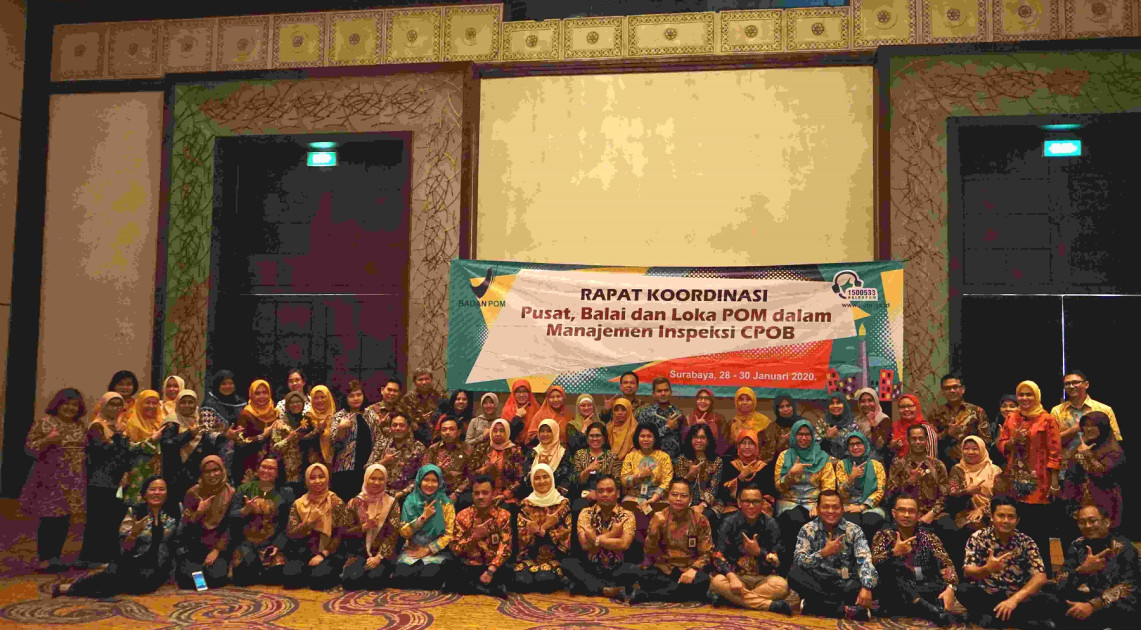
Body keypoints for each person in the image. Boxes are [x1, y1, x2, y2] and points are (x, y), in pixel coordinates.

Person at [54, 476, 178, 597]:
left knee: (139, 584)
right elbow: (124, 547)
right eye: (152, 489)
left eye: (162, 489)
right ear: (145, 494)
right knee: (117, 576)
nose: (157, 493)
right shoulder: (134, 512)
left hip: (160, 565)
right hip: (134, 561)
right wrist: (134, 534)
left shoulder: (174, 512)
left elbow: (179, 539)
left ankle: (78, 587)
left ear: (166, 493)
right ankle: (71, 588)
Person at [960, 496, 1055, 628]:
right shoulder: (978, 538)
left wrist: (1014, 600)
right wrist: (987, 569)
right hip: (988, 594)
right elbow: (968, 571)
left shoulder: (1026, 541)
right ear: (992, 517)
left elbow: (1040, 576)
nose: (1005, 520)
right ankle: (1020, 621)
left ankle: (993, 619)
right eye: (1001, 516)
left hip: (1017, 597)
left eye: (1010, 517)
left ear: (1017, 520)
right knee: (963, 590)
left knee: (1051, 599)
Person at [21, 388, 89, 571]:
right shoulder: (45, 423)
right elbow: (29, 449)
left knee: (65, 519)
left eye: (74, 405)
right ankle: (45, 558)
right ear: (57, 404)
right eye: (66, 404)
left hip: (73, 480)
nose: (70, 408)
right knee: (49, 519)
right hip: (50, 480)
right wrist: (48, 440)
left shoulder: (80, 426)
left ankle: (56, 557)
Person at [996, 380, 1061, 569]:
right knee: (1016, 528)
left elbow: (1055, 453)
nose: (1024, 398)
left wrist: (1054, 482)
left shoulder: (1047, 419)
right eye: (1021, 395)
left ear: (1037, 396)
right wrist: (1013, 441)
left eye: (1029, 394)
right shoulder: (1012, 418)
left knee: (1038, 529)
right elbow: (1002, 445)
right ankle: (1018, 571)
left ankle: (1042, 572)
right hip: (1014, 481)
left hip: (1038, 482)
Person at [788, 489, 878, 620]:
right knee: (794, 574)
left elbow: (864, 560)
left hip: (845, 582)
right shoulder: (808, 529)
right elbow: (799, 560)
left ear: (842, 509)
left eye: (835, 507)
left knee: (874, 581)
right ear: (817, 509)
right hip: (818, 580)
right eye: (825, 507)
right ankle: (844, 610)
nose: (830, 511)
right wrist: (823, 553)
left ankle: (814, 605)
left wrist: (866, 587)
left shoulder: (854, 530)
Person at [620, 479, 713, 604]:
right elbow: (649, 552)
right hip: (664, 568)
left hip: (688, 568)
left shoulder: (700, 520)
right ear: (668, 496)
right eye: (674, 494)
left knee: (703, 580)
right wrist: (654, 529)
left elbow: (706, 553)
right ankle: (682, 593)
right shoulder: (659, 517)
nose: (678, 499)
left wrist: (693, 570)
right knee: (640, 574)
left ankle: (648, 595)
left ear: (690, 498)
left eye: (683, 495)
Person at [871, 495, 959, 626]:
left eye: (911, 511)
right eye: (902, 510)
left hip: (922, 585)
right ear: (894, 513)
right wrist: (894, 552)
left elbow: (946, 563)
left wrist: (950, 588)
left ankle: (914, 605)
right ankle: (932, 611)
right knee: (892, 569)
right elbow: (873, 563)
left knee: (940, 585)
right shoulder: (884, 535)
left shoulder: (928, 536)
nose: (906, 515)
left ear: (918, 515)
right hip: (895, 586)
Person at [710, 485, 794, 614]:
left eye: (756, 502)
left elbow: (778, 561)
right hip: (736, 577)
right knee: (716, 581)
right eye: (746, 501)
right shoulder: (728, 522)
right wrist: (732, 577)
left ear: (762, 503)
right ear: (739, 503)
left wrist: (759, 552)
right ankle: (769, 605)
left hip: (762, 579)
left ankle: (730, 600)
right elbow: (717, 556)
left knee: (781, 585)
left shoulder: (771, 524)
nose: (751, 506)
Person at [1053, 504, 1138, 629]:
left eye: (1092, 521)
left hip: (1111, 605)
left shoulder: (1123, 547)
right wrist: (1082, 571)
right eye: (1082, 522)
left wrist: (1092, 605)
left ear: (1106, 522)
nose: (1087, 526)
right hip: (1081, 600)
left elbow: (1127, 588)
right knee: (1049, 600)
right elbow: (1060, 582)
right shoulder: (1077, 545)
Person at [775, 420, 837, 565]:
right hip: (789, 502)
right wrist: (790, 474)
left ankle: (814, 565)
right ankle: (792, 564)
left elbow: (828, 487)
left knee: (814, 521)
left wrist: (820, 505)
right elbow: (778, 487)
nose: (804, 438)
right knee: (793, 519)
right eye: (800, 434)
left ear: (813, 436)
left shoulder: (822, 457)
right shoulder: (784, 456)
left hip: (813, 502)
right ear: (794, 436)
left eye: (807, 434)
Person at [79, 392, 130, 567]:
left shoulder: (120, 425)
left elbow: (124, 452)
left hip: (117, 479)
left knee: (112, 520)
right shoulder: (97, 426)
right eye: (111, 404)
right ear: (103, 405)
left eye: (118, 405)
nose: (115, 408)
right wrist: (116, 437)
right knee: (97, 520)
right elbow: (99, 452)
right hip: (99, 479)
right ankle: (92, 557)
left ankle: (108, 556)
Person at [563, 475, 636, 598]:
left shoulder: (627, 515)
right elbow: (585, 545)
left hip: (617, 567)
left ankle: (587, 586)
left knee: (634, 569)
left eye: (609, 490)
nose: (605, 494)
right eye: (600, 491)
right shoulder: (586, 513)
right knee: (568, 564)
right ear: (595, 494)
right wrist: (613, 534)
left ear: (618, 493)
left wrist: (595, 539)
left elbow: (624, 544)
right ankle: (606, 590)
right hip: (591, 566)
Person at [886, 424, 956, 546]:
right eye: (914, 439)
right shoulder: (898, 464)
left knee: (949, 527)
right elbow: (890, 496)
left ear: (926, 441)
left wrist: (932, 513)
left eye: (921, 438)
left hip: (933, 513)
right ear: (908, 441)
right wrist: (909, 482)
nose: (917, 442)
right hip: (905, 513)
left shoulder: (937, 465)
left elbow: (945, 495)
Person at [175, 454, 238, 589]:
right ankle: (198, 576)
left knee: (216, 578)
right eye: (207, 472)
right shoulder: (193, 492)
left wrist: (217, 550)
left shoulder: (231, 493)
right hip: (194, 545)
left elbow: (230, 527)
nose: (212, 475)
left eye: (216, 470)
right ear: (202, 474)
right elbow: (185, 526)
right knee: (189, 579)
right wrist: (199, 513)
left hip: (217, 546)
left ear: (223, 470)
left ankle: (208, 573)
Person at [283, 463, 350, 590]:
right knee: (290, 578)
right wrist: (308, 524)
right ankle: (309, 572)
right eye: (312, 478)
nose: (317, 481)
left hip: (330, 552)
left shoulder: (336, 502)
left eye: (321, 477)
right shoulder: (299, 503)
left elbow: (341, 533)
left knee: (318, 581)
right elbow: (291, 533)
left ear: (327, 478)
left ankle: (321, 572)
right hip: (304, 550)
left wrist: (323, 555)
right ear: (307, 480)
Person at [231, 455, 294, 586]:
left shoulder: (286, 492)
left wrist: (278, 545)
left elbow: (289, 523)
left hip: (272, 543)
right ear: (257, 469)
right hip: (247, 542)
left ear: (278, 472)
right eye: (263, 467)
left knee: (274, 579)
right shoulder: (244, 489)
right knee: (242, 578)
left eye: (271, 468)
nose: (266, 471)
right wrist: (245, 510)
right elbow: (231, 516)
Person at [392, 464, 454, 590]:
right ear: (419, 480)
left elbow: (449, 534)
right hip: (412, 548)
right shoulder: (410, 501)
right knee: (401, 578)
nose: (429, 484)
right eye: (426, 480)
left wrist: (428, 550)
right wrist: (422, 519)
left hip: (435, 552)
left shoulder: (446, 503)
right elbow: (403, 532)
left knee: (428, 580)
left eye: (434, 481)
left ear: (439, 483)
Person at [340, 463, 402, 590]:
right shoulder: (354, 502)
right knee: (349, 581)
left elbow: (393, 534)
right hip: (359, 553)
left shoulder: (392, 503)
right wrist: (364, 527)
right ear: (366, 478)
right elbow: (345, 532)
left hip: (381, 555)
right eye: (373, 478)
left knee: (374, 581)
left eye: (381, 479)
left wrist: (378, 557)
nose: (376, 482)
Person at [450, 474, 513, 597]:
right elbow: (455, 549)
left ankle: (478, 586)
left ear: (493, 494)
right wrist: (474, 538)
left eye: (485, 493)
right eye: (476, 493)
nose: (480, 497)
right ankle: (485, 588)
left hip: (494, 565)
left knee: (511, 573)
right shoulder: (463, 516)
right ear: (472, 495)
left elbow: (505, 547)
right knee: (452, 570)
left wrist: (491, 570)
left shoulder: (503, 516)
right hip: (470, 565)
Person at [160, 389, 220, 515]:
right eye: (183, 402)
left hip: (196, 478)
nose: (187, 405)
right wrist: (188, 434)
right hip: (174, 478)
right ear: (177, 404)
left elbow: (210, 448)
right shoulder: (171, 422)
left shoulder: (201, 421)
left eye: (191, 402)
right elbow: (166, 446)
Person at [515, 464, 573, 592]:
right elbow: (520, 536)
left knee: (544, 579)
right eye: (537, 478)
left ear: (552, 478)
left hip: (555, 556)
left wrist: (543, 531)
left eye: (545, 477)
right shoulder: (526, 505)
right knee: (521, 580)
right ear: (532, 481)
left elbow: (567, 536)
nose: (541, 481)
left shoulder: (562, 504)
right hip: (530, 556)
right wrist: (541, 528)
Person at [1062, 411, 1124, 529]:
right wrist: (1071, 504)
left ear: (1102, 427)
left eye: (1093, 425)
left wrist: (1087, 454)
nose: (1089, 429)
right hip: (1079, 507)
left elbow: (1102, 475)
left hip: (1104, 507)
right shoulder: (1080, 448)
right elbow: (1071, 476)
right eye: (1085, 425)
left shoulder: (1113, 451)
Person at [1050, 371, 1123, 466]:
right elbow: (1050, 442)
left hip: (1097, 464)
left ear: (1086, 384)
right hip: (1065, 466)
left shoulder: (1104, 409)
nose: (1071, 386)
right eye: (1067, 384)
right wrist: (1072, 431)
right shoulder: (1057, 411)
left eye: (1075, 382)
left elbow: (1115, 439)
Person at [330, 380, 380, 501]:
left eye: (359, 394)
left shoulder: (371, 415)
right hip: (345, 469)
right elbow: (334, 445)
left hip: (368, 468)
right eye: (351, 396)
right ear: (346, 398)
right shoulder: (339, 416)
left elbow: (378, 440)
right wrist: (341, 429)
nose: (356, 398)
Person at [929, 374, 992, 467]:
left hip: (973, 465)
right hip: (945, 465)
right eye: (947, 388)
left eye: (955, 387)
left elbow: (986, 440)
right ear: (942, 391)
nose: (952, 390)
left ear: (963, 389)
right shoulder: (936, 413)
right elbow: (930, 443)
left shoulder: (976, 411)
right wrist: (947, 434)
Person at [834, 431, 886, 541]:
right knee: (851, 523)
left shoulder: (877, 466)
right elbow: (841, 493)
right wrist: (851, 479)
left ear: (865, 445)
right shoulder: (842, 465)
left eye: (859, 443)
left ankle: (870, 551)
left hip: (871, 506)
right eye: (851, 444)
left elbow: (880, 491)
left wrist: (862, 507)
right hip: (848, 505)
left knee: (870, 521)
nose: (855, 447)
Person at [947, 435, 1003, 537]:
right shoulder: (957, 469)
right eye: (966, 449)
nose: (970, 452)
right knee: (971, 527)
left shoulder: (995, 470)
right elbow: (951, 497)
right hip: (966, 513)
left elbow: (1001, 497)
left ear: (982, 450)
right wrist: (967, 492)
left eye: (975, 449)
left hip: (993, 512)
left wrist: (983, 510)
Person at [673, 423, 724, 529]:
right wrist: (690, 475)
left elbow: (714, 488)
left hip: (710, 503)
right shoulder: (682, 459)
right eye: (695, 437)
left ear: (708, 440)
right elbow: (678, 485)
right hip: (685, 500)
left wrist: (703, 505)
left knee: (704, 517)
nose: (699, 441)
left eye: (702, 437)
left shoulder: (716, 461)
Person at [619, 423, 673, 521]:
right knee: (628, 505)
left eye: (649, 436)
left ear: (655, 438)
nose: (645, 439)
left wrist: (654, 498)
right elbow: (623, 480)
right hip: (635, 497)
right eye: (642, 436)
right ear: (637, 438)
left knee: (665, 509)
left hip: (657, 498)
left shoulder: (664, 457)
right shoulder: (630, 456)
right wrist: (639, 476)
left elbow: (667, 481)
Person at [368, 414, 426, 501]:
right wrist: (383, 462)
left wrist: (404, 492)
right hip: (379, 493)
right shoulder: (381, 444)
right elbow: (367, 469)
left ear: (408, 428)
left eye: (402, 425)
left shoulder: (418, 448)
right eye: (394, 425)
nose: (398, 428)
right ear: (390, 428)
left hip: (407, 496)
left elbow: (422, 476)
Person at [271, 391, 319, 496]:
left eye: (298, 402)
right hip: (288, 470)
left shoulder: (308, 420)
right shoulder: (279, 424)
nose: (295, 404)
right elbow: (275, 447)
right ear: (287, 405)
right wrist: (288, 439)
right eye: (292, 402)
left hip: (307, 467)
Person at [421, 417, 475, 511]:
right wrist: (436, 469)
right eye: (444, 429)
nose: (447, 432)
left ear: (458, 432)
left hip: (461, 493)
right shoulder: (432, 449)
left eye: (451, 429)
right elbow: (424, 473)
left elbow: (471, 475)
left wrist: (456, 493)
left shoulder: (468, 449)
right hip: (435, 489)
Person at [471, 418, 525, 510]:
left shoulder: (514, 451)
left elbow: (520, 478)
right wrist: (484, 470)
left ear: (507, 432)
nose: (498, 434)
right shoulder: (482, 448)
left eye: (502, 431)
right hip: (482, 493)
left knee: (507, 508)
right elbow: (471, 472)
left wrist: (505, 495)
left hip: (506, 496)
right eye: (495, 431)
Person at [719, 428, 775, 517]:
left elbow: (770, 494)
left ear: (757, 447)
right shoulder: (729, 465)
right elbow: (723, 493)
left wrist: (753, 504)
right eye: (743, 443)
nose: (747, 447)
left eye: (751, 443)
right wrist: (740, 477)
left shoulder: (765, 467)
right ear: (738, 446)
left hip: (758, 507)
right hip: (735, 506)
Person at [121, 389, 164, 505]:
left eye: (154, 403)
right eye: (147, 402)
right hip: (138, 470)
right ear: (140, 403)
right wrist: (150, 440)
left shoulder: (161, 422)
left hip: (157, 470)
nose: (151, 406)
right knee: (137, 505)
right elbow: (129, 448)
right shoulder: (133, 423)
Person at [232, 379, 277, 484]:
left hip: (272, 462)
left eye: (265, 392)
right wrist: (262, 436)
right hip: (251, 464)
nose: (262, 396)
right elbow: (240, 442)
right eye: (257, 393)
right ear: (251, 395)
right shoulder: (246, 414)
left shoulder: (275, 412)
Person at [522, 418, 574, 498]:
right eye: (542, 431)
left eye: (549, 431)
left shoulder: (564, 454)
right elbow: (525, 479)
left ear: (555, 432)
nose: (545, 434)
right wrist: (538, 467)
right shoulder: (532, 453)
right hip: (533, 495)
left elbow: (567, 480)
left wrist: (552, 496)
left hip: (557, 497)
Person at [635, 377, 685, 458]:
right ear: (653, 394)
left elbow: (683, 438)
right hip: (653, 460)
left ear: (671, 392)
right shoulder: (646, 413)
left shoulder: (677, 413)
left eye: (666, 390)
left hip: (675, 460)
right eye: (659, 391)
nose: (663, 393)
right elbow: (643, 438)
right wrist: (667, 427)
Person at [729, 387, 781, 456]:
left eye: (748, 399)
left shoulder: (763, 421)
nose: (744, 402)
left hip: (761, 460)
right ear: (736, 402)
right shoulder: (732, 423)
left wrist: (757, 461)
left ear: (754, 401)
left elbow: (770, 449)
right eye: (741, 399)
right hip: (736, 460)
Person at [398, 367, 442, 445]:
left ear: (432, 380)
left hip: (437, 441)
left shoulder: (440, 397)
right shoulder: (407, 399)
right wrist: (418, 421)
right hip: (414, 441)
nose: (424, 382)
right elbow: (402, 421)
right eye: (420, 380)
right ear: (415, 382)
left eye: (427, 379)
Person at [687, 388, 731, 456]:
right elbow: (686, 442)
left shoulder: (719, 418)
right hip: (692, 457)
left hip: (715, 457)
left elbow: (724, 442)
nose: (703, 401)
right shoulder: (689, 418)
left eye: (707, 398)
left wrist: (706, 427)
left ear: (711, 401)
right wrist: (696, 426)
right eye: (700, 398)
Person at [813, 394, 859, 458]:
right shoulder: (822, 423)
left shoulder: (852, 424)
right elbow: (815, 448)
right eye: (832, 403)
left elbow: (856, 447)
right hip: (825, 461)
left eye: (838, 403)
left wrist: (838, 438)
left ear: (844, 405)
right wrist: (827, 438)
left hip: (847, 461)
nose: (835, 406)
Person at [853, 387, 892, 461]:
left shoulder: (883, 419)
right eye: (863, 401)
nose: (866, 404)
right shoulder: (858, 419)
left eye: (870, 400)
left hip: (876, 461)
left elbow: (881, 445)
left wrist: (873, 425)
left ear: (876, 401)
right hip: (858, 459)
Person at [303, 385, 337, 467]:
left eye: (322, 397)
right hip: (315, 463)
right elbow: (303, 442)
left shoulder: (337, 416)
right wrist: (318, 430)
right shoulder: (307, 417)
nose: (319, 400)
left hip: (335, 462)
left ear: (328, 398)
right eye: (316, 398)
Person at [890, 394, 929, 460]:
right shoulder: (894, 427)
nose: (906, 409)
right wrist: (892, 446)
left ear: (917, 407)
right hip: (897, 464)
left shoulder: (925, 428)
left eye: (910, 406)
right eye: (902, 407)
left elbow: (931, 456)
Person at [501, 379, 538, 445]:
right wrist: (517, 417)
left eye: (524, 391)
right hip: (510, 448)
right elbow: (505, 436)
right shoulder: (507, 411)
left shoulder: (536, 409)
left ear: (529, 393)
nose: (521, 395)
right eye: (518, 392)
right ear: (513, 393)